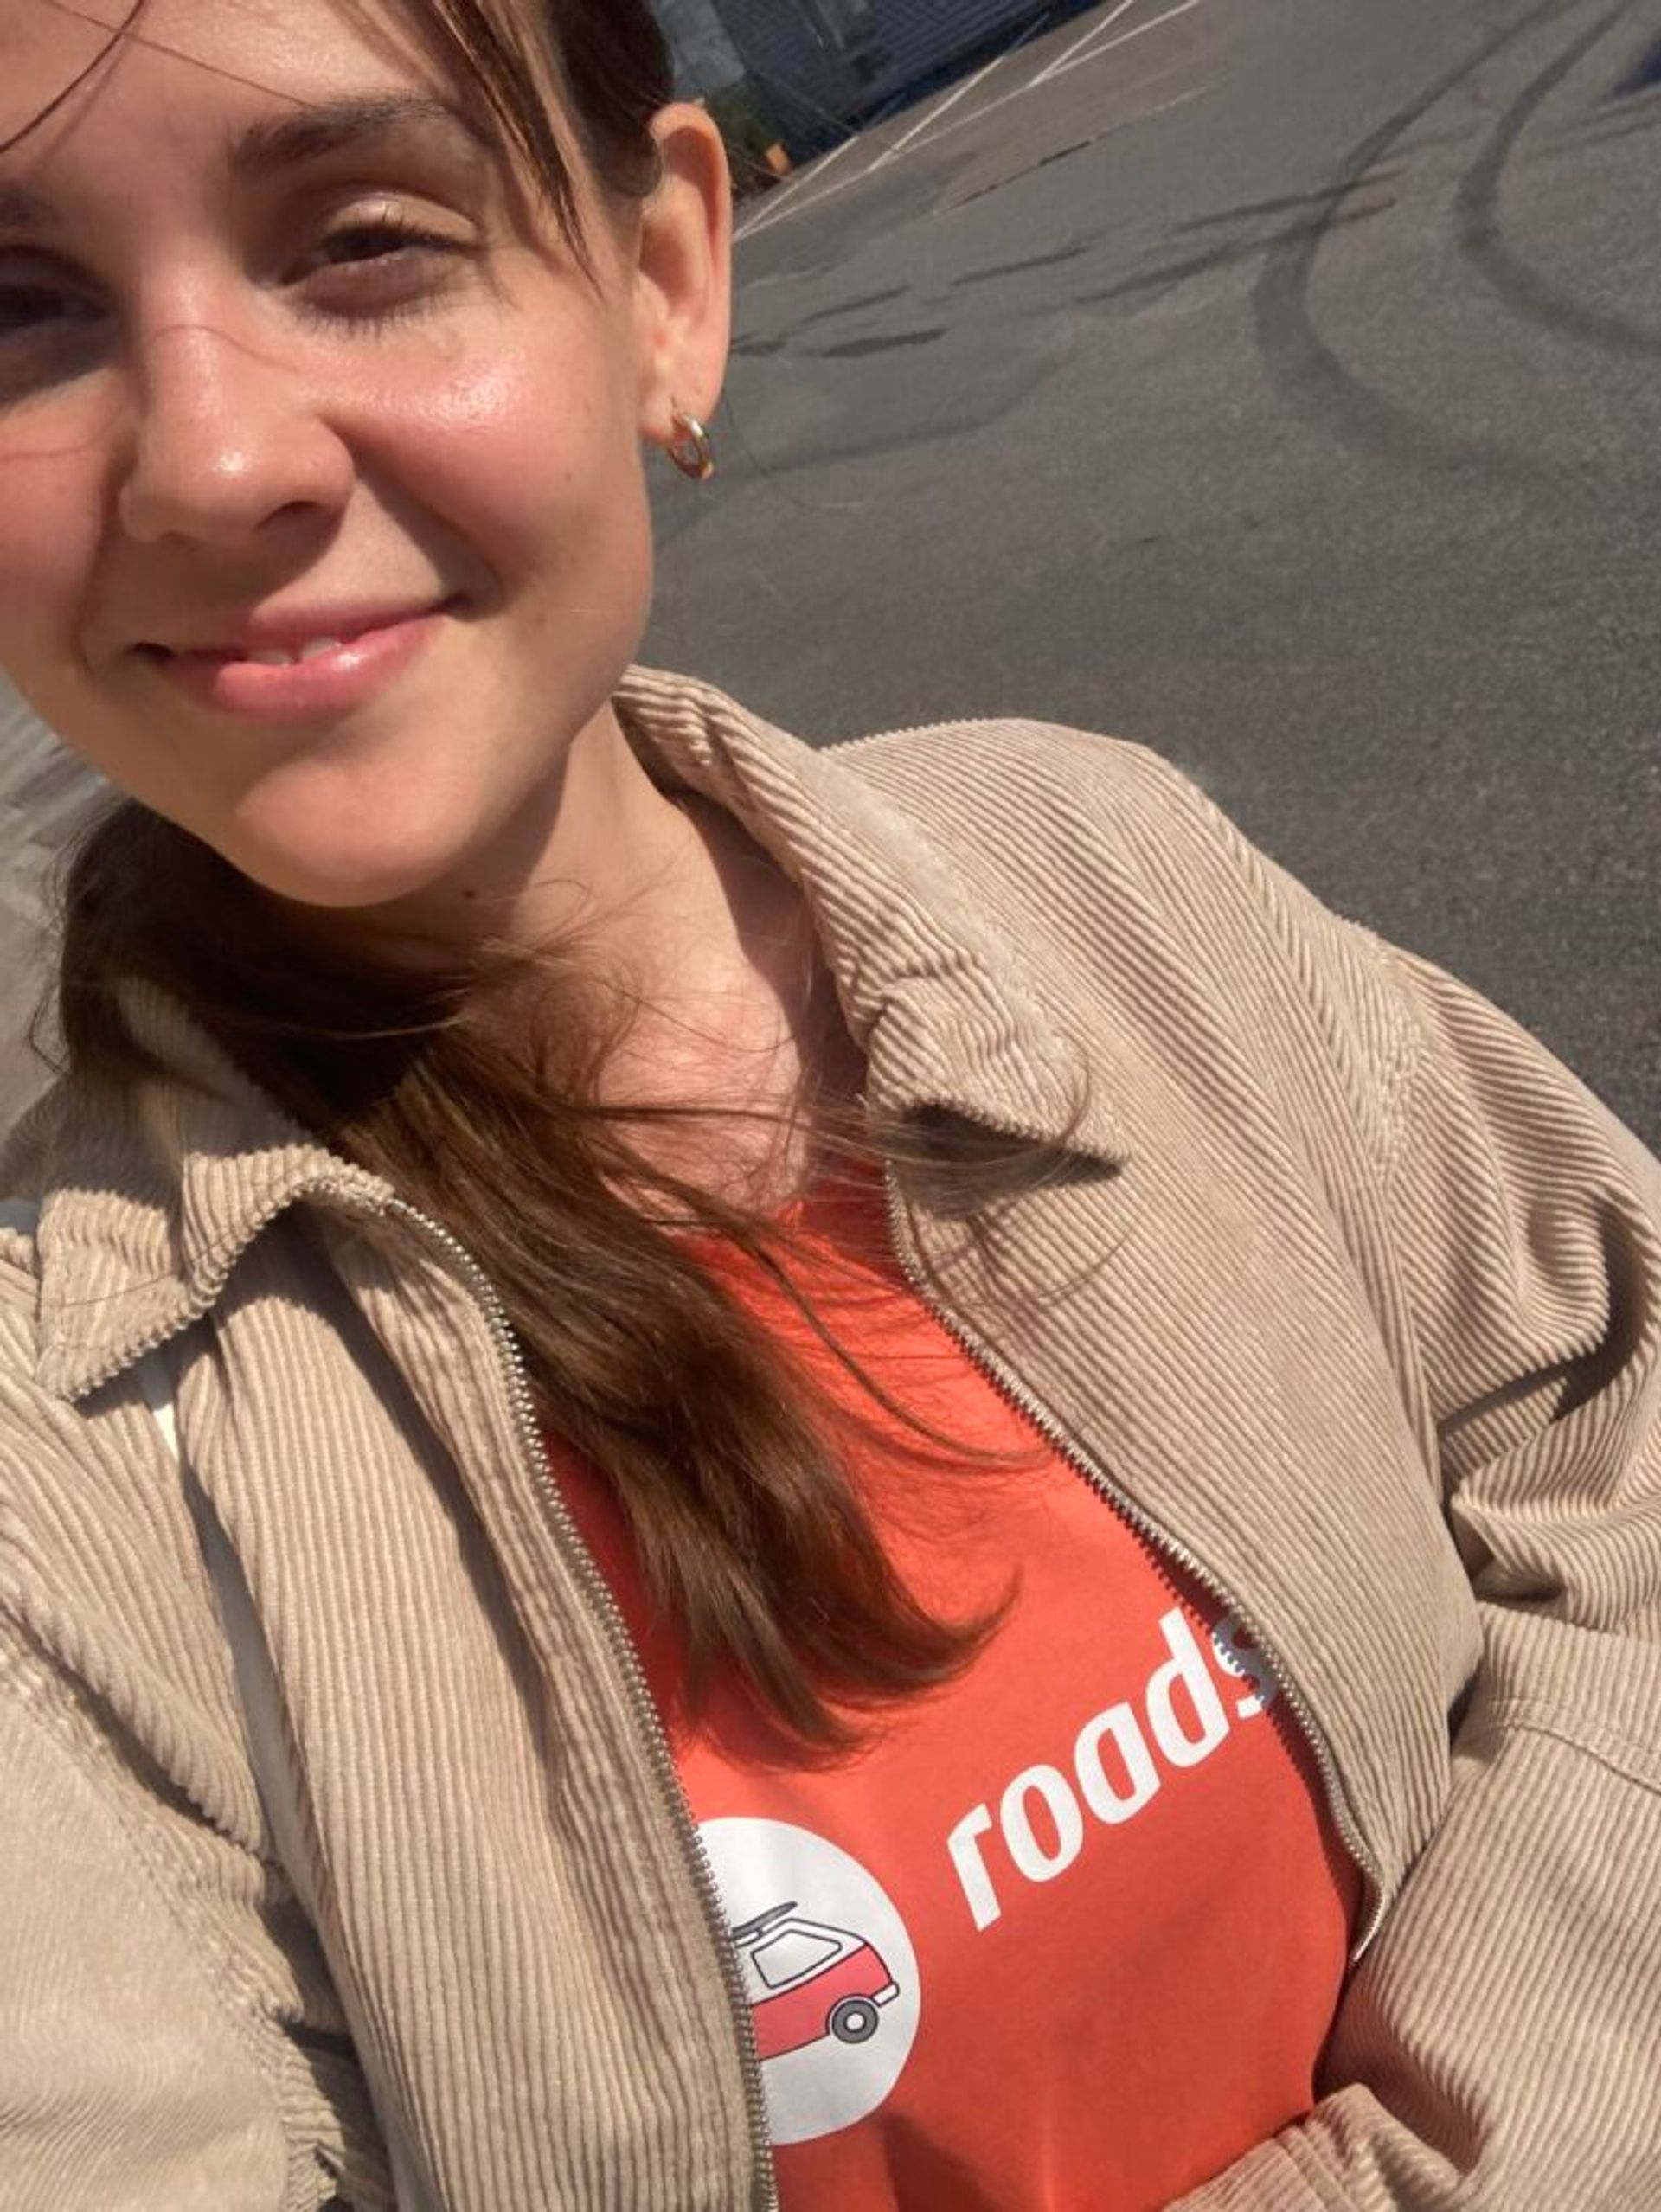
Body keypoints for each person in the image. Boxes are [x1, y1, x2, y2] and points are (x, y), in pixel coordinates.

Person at [0, 1, 1656, 2206]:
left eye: (368, 241)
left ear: (665, 282)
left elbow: (1612, 1421)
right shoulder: (59, 1516)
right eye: (17, 313)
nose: (214, 463)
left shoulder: (1095, 868)